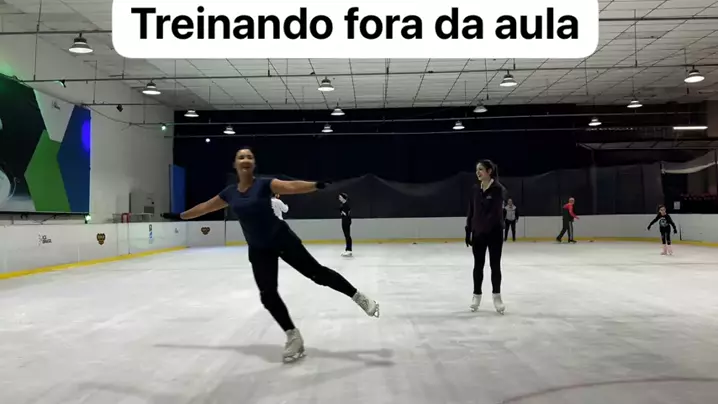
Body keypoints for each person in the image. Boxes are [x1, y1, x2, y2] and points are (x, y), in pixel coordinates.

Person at [162, 148, 379, 363]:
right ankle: (293, 336)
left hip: (282, 239)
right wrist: (180, 216)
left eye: (249, 157)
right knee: (267, 295)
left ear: (253, 164)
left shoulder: (264, 185)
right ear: (235, 164)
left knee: (317, 274)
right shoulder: (229, 193)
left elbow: (290, 186)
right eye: (241, 157)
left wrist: (315, 185)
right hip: (258, 249)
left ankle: (358, 296)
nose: (245, 159)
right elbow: (205, 207)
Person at [465, 160, 506, 315]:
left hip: (494, 234)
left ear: (489, 171)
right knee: (478, 265)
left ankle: (497, 297)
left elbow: (495, 214)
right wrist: (469, 230)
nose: (478, 172)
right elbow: (471, 211)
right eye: (477, 170)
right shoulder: (475, 189)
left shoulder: (498, 189)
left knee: (495, 266)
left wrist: (484, 228)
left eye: (481, 169)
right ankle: (476, 296)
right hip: (478, 234)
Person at [339, 193, 353, 257]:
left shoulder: (346, 205)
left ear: (343, 198)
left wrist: (343, 213)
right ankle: (347, 249)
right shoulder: (342, 205)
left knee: (347, 235)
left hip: (346, 221)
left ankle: (349, 250)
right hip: (344, 220)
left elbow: (347, 214)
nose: (339, 198)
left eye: (340, 197)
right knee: (346, 235)